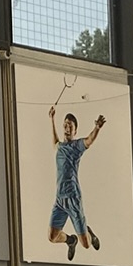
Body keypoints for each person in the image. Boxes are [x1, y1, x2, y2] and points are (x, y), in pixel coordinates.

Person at [48, 108, 106, 258]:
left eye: (70, 126)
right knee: (52, 237)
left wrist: (97, 128)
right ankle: (70, 240)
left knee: (86, 245)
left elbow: (89, 140)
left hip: (73, 199)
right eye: (65, 125)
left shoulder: (76, 146)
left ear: (75, 130)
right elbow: (54, 141)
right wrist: (52, 119)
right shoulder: (59, 147)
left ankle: (89, 233)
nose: (67, 128)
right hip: (60, 200)